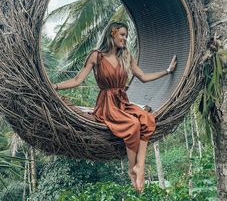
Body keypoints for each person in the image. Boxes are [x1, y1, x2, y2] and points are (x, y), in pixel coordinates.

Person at [53, 21, 177, 193]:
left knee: (148, 119)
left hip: (123, 102)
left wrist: (168, 71)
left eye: (126, 35)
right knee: (132, 125)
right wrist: (56, 87)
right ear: (112, 33)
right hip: (107, 104)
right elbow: (77, 80)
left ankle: (139, 167)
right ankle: (132, 168)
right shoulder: (96, 56)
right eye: (123, 35)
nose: (125, 39)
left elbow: (143, 76)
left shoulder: (125, 55)